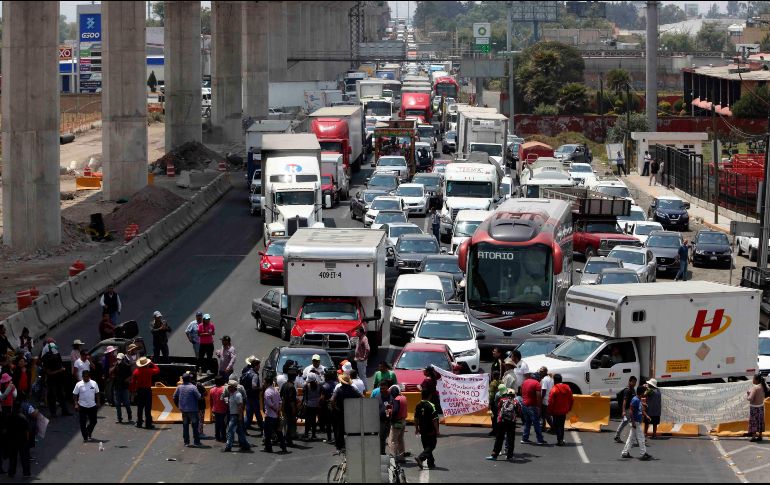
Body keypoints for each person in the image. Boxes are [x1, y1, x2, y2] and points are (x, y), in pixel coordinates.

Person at [486, 388, 519, 461]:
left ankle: (494, 455)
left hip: (502, 422)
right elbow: (518, 411)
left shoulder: (502, 400)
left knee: (499, 438)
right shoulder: (516, 402)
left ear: (507, 394)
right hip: (511, 422)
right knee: (511, 439)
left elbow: (498, 408)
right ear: (514, 395)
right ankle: (509, 456)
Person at [331, 373, 362, 450]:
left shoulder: (338, 390)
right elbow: (362, 397)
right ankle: (351, 444)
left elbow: (332, 400)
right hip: (351, 411)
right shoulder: (353, 389)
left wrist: (335, 407)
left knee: (340, 429)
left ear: (341, 381)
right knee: (351, 428)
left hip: (340, 411)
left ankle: (339, 445)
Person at [621, 386, 652, 460]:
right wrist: (634, 422)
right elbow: (631, 412)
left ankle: (625, 452)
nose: (645, 393)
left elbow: (640, 410)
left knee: (631, 438)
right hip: (636, 422)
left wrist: (646, 415)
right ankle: (643, 453)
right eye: (644, 391)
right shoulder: (635, 400)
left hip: (637, 422)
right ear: (641, 393)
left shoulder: (638, 399)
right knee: (641, 438)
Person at [40, 341, 70, 417]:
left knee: (61, 395)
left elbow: (60, 364)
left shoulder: (57, 355)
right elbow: (49, 372)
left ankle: (64, 410)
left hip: (59, 379)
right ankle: (53, 413)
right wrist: (60, 370)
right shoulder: (46, 358)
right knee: (52, 397)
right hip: (51, 380)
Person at [173, 372, 202, 447]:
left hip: (184, 410)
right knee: (195, 426)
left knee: (185, 426)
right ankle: (196, 442)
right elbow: (199, 397)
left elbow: (174, 397)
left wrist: (178, 405)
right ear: (189, 379)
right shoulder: (193, 387)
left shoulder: (179, 387)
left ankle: (186, 442)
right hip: (193, 410)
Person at [262, 372, 288, 454]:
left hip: (269, 416)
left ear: (267, 383)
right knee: (279, 432)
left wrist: (275, 410)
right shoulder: (276, 390)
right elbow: (280, 401)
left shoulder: (267, 392)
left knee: (267, 433)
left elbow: (270, 404)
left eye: (264, 382)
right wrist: (278, 411)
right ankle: (284, 447)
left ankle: (268, 448)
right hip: (276, 416)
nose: (263, 383)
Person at [414, 388, 439, 470]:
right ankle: (421, 458)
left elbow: (416, 418)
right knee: (432, 445)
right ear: (430, 396)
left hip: (422, 429)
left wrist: (416, 428)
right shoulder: (431, 405)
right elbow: (434, 419)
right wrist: (437, 430)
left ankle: (431, 463)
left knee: (426, 446)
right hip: (430, 429)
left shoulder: (418, 405)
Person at [223, 380, 251, 452]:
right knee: (240, 431)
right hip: (234, 415)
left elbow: (240, 406)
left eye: (229, 387)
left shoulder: (237, 395)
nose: (228, 388)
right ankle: (245, 445)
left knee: (230, 431)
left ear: (232, 387)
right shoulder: (232, 394)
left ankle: (228, 446)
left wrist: (240, 417)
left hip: (235, 416)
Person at [132, 356, 159, 429]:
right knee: (148, 408)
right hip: (147, 390)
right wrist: (151, 363)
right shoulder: (149, 371)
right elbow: (157, 369)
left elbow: (133, 382)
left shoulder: (136, 371)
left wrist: (133, 391)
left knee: (140, 408)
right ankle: (148, 424)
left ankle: (139, 423)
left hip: (140, 390)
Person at [73, 370, 100, 442]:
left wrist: (98, 402)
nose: (86, 378)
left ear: (89, 376)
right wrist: (76, 404)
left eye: (87, 377)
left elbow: (97, 393)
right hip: (82, 406)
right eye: (84, 377)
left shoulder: (94, 383)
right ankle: (85, 436)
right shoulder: (79, 384)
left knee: (94, 421)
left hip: (92, 405)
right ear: (82, 377)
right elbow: (75, 394)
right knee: (82, 422)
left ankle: (88, 431)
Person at [520, 372, 546, 445]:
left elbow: (521, 391)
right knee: (536, 423)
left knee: (527, 422)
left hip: (524, 404)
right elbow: (538, 397)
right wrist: (539, 407)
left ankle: (525, 438)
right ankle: (540, 439)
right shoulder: (537, 384)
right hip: (532, 406)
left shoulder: (525, 382)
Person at [547, 374, 573, 446]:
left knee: (556, 425)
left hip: (556, 411)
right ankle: (561, 439)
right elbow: (571, 399)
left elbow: (550, 401)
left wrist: (549, 410)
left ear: (554, 381)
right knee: (561, 425)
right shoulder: (567, 387)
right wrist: (569, 408)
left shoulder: (554, 389)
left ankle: (559, 440)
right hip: (564, 410)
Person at [5, 408, 31, 477]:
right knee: (24, 457)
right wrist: (27, 440)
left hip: (12, 440)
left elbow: (5, 429)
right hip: (22, 440)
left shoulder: (8, 417)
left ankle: (11, 472)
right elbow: (27, 430)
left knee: (12, 457)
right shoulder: (23, 418)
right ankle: (26, 473)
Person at [240, 356, 263, 434]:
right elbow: (253, 386)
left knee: (249, 414)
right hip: (254, 397)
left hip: (247, 396)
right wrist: (261, 388)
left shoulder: (247, 372)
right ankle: (263, 429)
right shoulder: (255, 375)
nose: (259, 367)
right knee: (258, 414)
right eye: (258, 366)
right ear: (255, 366)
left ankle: (244, 429)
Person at [614, 376, 639, 444]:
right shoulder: (627, 390)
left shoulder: (633, 389)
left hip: (632, 409)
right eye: (633, 382)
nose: (634, 383)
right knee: (626, 422)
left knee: (633, 423)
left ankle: (636, 438)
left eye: (635, 382)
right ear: (629, 381)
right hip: (628, 409)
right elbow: (624, 401)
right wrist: (623, 411)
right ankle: (617, 435)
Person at [110, 353, 133, 424]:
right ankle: (119, 418)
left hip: (124, 387)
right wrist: (115, 366)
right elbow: (110, 372)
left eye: (119, 359)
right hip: (116, 387)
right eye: (117, 359)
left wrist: (128, 379)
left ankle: (129, 416)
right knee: (117, 404)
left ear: (123, 359)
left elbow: (131, 375)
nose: (118, 360)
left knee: (126, 403)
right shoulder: (115, 365)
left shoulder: (127, 366)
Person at [281, 365, 300, 446]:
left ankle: (286, 438)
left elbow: (282, 396)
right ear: (294, 377)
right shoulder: (291, 387)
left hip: (285, 407)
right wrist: (294, 410)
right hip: (290, 409)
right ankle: (288, 440)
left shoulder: (284, 385)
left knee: (287, 424)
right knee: (290, 425)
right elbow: (292, 401)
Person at [388, 385, 407, 462]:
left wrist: (391, 419)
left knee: (392, 440)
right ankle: (401, 456)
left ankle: (393, 458)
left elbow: (395, 411)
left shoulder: (396, 399)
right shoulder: (404, 398)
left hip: (397, 421)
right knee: (400, 439)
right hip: (403, 421)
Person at [748, 373, 768, 442]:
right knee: (760, 421)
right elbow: (768, 389)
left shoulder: (755, 388)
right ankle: (760, 435)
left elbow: (750, 398)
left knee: (754, 422)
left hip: (754, 408)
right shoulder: (763, 386)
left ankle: (753, 436)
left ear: (756, 380)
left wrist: (748, 394)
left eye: (753, 378)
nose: (752, 380)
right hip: (761, 407)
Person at [375, 379, 393, 455]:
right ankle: (381, 452)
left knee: (387, 437)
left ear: (387, 388)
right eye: (381, 388)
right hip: (380, 421)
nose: (382, 390)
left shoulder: (391, 396)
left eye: (383, 388)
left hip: (389, 420)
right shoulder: (377, 396)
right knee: (381, 438)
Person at [319, 369, 337, 444]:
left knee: (328, 424)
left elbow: (322, 398)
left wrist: (320, 405)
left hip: (327, 408)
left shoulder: (324, 386)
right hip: (336, 406)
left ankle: (329, 439)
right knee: (335, 424)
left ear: (326, 377)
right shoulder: (337, 384)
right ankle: (337, 438)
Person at [303, 373, 321, 440]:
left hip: (308, 405)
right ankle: (313, 435)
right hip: (316, 405)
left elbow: (305, 396)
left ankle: (306, 434)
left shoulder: (306, 386)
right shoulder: (319, 385)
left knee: (307, 420)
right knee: (314, 420)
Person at [209, 376, 228, 442]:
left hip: (215, 409)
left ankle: (217, 437)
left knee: (217, 424)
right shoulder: (224, 389)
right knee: (223, 424)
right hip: (223, 409)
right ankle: (223, 437)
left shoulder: (212, 390)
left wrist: (212, 409)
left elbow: (211, 401)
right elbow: (226, 400)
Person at [539, 366, 554, 431]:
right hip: (549, 398)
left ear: (545, 372)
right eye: (540, 371)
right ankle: (543, 426)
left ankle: (552, 427)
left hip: (545, 399)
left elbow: (544, 390)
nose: (540, 373)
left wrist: (540, 399)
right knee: (543, 414)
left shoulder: (544, 380)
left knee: (545, 414)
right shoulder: (550, 378)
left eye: (541, 372)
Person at [488, 371, 502, 437]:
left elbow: (491, 394)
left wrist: (490, 403)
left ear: (493, 376)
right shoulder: (502, 382)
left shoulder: (493, 383)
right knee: (499, 416)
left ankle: (495, 431)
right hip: (500, 401)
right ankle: (497, 430)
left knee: (493, 417)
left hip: (494, 402)